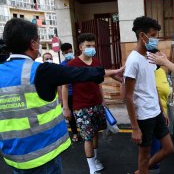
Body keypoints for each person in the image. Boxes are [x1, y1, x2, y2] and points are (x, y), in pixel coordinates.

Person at [0, 18, 123, 174]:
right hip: (43, 156)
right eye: (38, 40)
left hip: (13, 157)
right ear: (33, 43)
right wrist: (113, 72)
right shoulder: (41, 70)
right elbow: (79, 73)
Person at [63, 33, 122, 174]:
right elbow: (64, 86)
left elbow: (99, 83)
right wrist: (65, 107)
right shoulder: (72, 64)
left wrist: (103, 100)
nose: (91, 48)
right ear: (81, 47)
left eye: (93, 46)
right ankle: (92, 169)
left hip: (97, 104)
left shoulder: (96, 62)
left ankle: (95, 160)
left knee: (95, 134)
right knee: (88, 137)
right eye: (88, 46)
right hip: (81, 107)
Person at [124, 16, 174, 174]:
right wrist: (134, 128)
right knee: (144, 156)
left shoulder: (149, 56)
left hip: (156, 112)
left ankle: (141, 171)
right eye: (152, 35)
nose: (156, 39)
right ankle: (143, 169)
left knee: (169, 149)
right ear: (142, 36)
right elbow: (128, 96)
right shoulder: (133, 61)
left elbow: (152, 87)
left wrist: (161, 109)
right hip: (144, 117)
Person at [149, 67, 171, 173]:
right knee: (155, 150)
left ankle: (143, 169)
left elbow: (161, 91)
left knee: (164, 149)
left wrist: (172, 94)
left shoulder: (161, 71)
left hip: (162, 115)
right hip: (151, 116)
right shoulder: (146, 71)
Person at [58, 43, 79, 142]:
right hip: (69, 94)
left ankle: (85, 132)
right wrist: (61, 98)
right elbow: (60, 84)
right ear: (62, 53)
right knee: (70, 115)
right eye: (66, 53)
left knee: (80, 114)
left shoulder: (79, 62)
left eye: (70, 51)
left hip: (79, 92)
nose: (69, 54)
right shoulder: (62, 65)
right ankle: (75, 133)